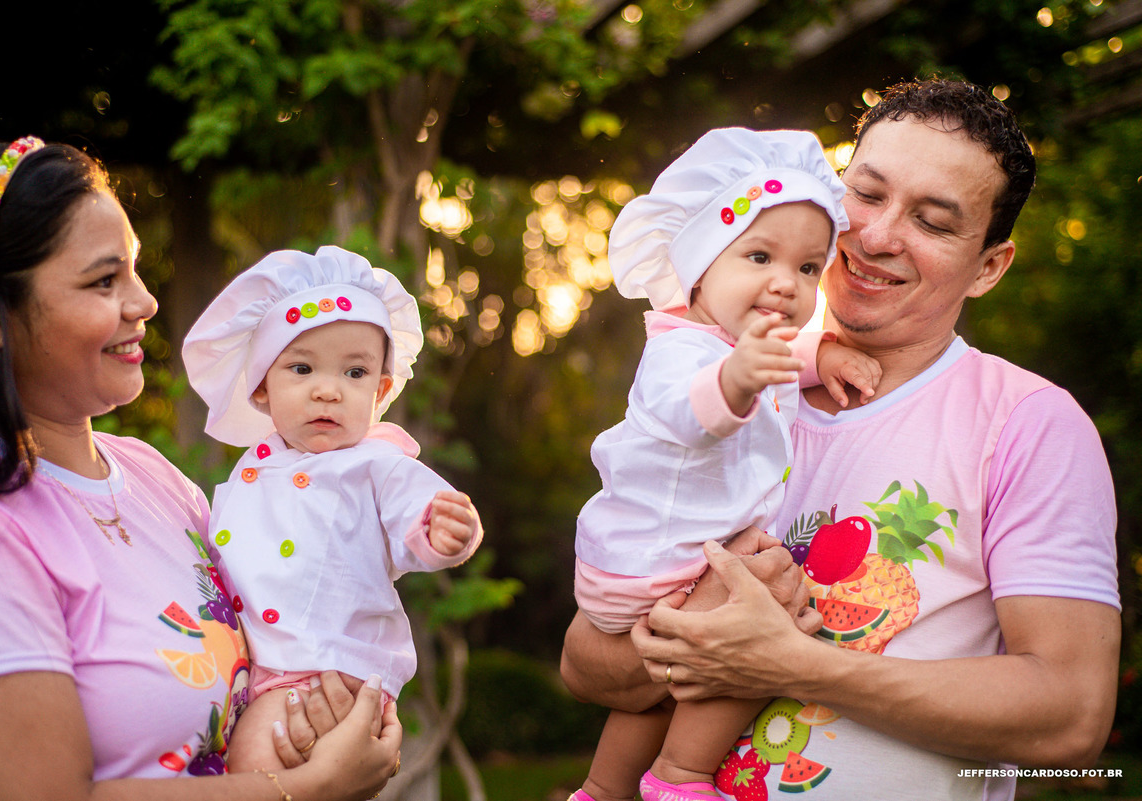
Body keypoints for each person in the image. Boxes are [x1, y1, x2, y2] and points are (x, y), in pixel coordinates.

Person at [562, 78, 1121, 800]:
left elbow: (1071, 718)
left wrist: (791, 663)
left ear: (988, 266)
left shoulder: (1027, 423)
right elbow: (585, 664)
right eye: (866, 192)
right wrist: (700, 629)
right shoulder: (717, 385)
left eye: (934, 220)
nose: (878, 235)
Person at [0, 138, 401, 801]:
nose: (145, 300)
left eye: (133, 269)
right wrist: (303, 788)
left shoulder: (157, 479)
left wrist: (320, 715)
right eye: (104, 280)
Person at [568, 128, 881, 801]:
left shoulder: (735, 342)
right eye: (760, 255)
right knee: (763, 616)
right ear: (700, 269)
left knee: (648, 698)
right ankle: (680, 774)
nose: (785, 283)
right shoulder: (680, 352)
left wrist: (819, 356)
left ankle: (601, 787)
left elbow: (776, 359)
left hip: (644, 558)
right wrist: (736, 379)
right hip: (655, 555)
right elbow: (689, 409)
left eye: (806, 268)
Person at [182, 245, 482, 772]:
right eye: (302, 368)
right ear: (260, 391)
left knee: (252, 768)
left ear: (381, 389)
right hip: (259, 667)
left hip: (327, 668)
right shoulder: (246, 475)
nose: (327, 391)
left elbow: (417, 513)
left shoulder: (375, 464)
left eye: (355, 374)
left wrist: (443, 531)